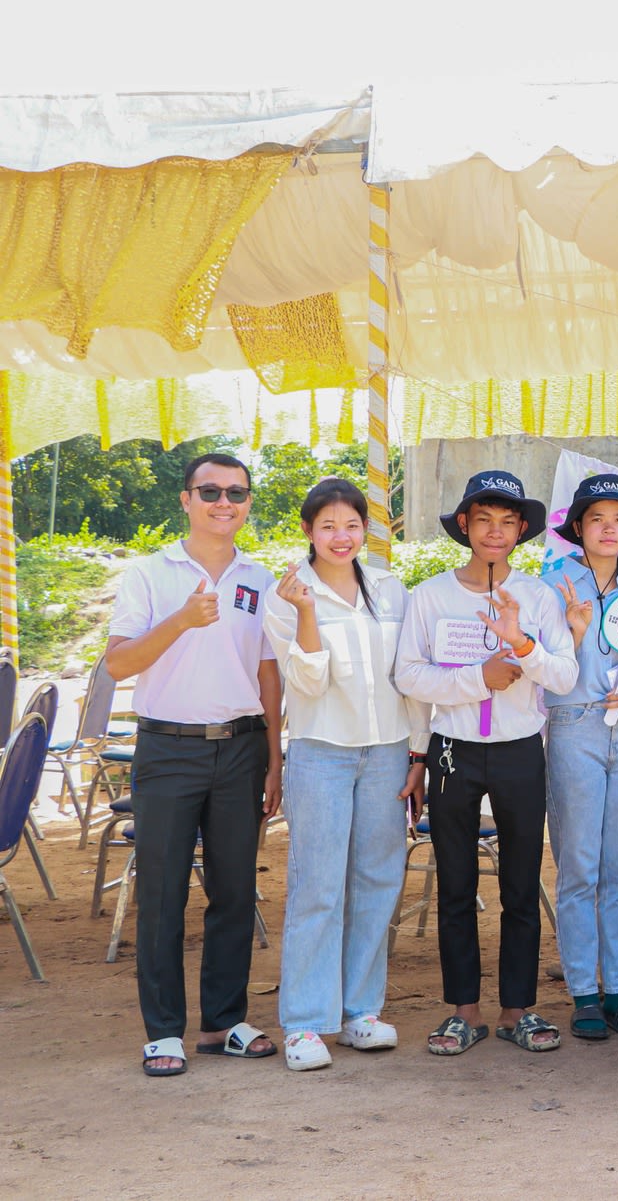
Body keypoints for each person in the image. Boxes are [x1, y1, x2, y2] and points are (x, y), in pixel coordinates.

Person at [106, 452, 283, 1076]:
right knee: (162, 892)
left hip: (240, 747)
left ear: (248, 503)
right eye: (209, 491)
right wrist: (181, 619)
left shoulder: (259, 579)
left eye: (236, 492)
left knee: (235, 890)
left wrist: (273, 758)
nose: (223, 502)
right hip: (168, 748)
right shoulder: (150, 575)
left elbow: (268, 673)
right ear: (185, 499)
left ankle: (224, 1022)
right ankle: (162, 1031)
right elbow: (119, 664)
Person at [393, 470, 578, 1056]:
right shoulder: (430, 596)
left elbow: (566, 677)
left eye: (506, 522)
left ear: (522, 530)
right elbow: (408, 676)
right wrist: (479, 678)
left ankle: (517, 1009)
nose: (494, 533)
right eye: (483, 521)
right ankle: (463, 1010)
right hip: (454, 751)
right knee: (456, 882)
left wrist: (523, 647)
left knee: (521, 884)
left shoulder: (540, 596)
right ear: (465, 527)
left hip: (522, 749)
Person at [263, 477, 423, 1072]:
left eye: (351, 525)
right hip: (321, 751)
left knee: (378, 881)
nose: (341, 536)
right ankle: (306, 1022)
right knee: (318, 885)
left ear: (366, 528)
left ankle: (361, 1012)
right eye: (327, 526)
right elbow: (304, 683)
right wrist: (305, 611)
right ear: (308, 530)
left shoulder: (387, 587)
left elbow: (410, 677)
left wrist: (418, 753)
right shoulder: (289, 592)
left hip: (387, 752)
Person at [544, 474, 618, 1042]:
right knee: (579, 866)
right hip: (574, 726)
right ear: (578, 529)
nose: (609, 529)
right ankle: (583, 993)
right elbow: (538, 666)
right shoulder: (551, 586)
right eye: (597, 519)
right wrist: (571, 634)